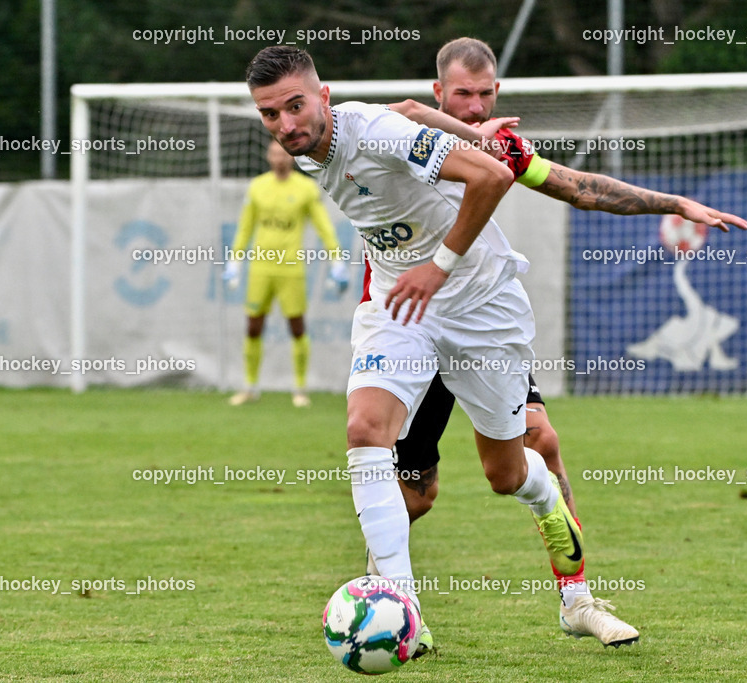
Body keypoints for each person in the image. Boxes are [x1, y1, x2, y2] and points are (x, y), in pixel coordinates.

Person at [370, 37, 747, 650]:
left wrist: (675, 202)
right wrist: (467, 133)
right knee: (414, 492)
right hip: (409, 324)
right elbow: (405, 113)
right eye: (461, 94)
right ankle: (382, 601)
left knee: (532, 448)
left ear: (498, 91)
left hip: (482, 325)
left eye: (485, 92)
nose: (473, 105)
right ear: (442, 91)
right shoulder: (395, 135)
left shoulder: (505, 148)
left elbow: (581, 187)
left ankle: (578, 600)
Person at [246, 44, 588, 655]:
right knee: (364, 428)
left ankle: (544, 501)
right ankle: (402, 609)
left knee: (505, 474)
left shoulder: (371, 131)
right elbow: (411, 113)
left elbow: (494, 175)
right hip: (405, 307)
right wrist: (460, 130)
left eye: (295, 106)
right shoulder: (306, 155)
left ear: (323, 97)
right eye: (270, 115)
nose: (285, 125)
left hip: (481, 307)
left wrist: (439, 264)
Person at [225, 139, 348, 408]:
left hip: (291, 268)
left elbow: (323, 226)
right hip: (261, 267)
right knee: (253, 326)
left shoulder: (305, 189)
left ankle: (300, 387)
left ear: (291, 157)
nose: (279, 158)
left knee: (297, 326)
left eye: (283, 153)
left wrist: (337, 259)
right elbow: (245, 227)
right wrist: (234, 261)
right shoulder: (257, 187)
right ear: (268, 156)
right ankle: (249, 386)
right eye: (274, 153)